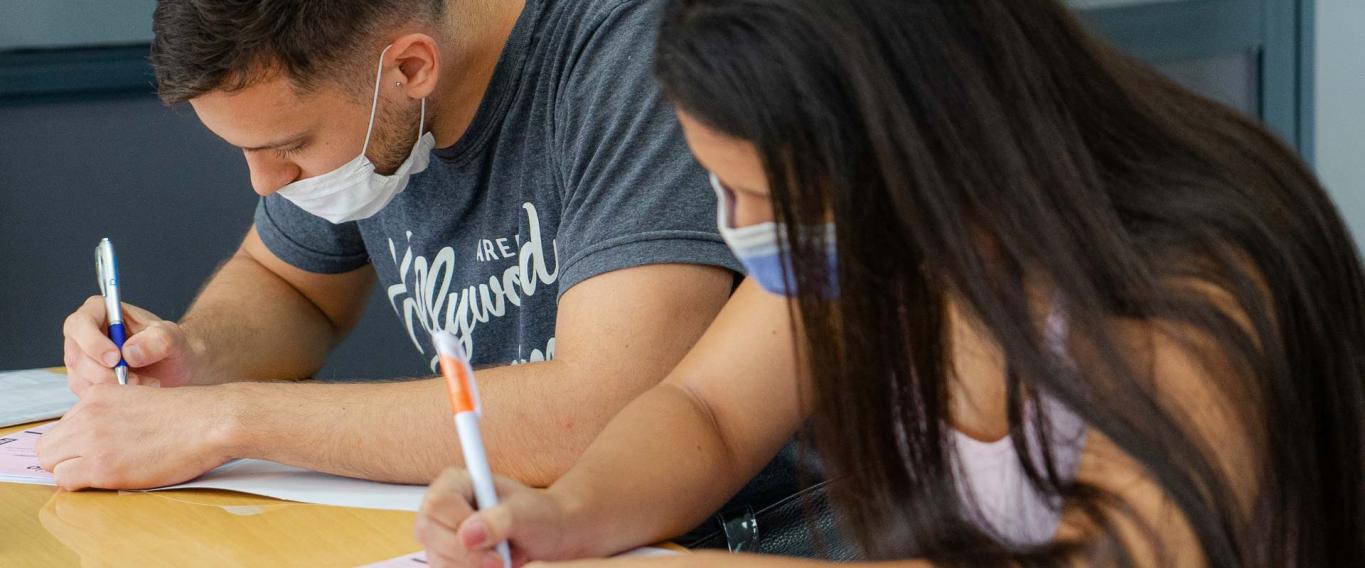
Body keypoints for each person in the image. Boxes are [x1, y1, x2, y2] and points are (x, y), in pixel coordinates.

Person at [412, 0, 1365, 565]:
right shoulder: (882, 237)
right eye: (721, 187)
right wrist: (565, 515)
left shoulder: (1199, 285)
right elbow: (705, 412)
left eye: (762, 194)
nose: (740, 230)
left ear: (913, 142)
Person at [44, 0, 768, 499]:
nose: (266, 183)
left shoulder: (632, 57)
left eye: (289, 146)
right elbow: (286, 284)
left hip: (733, 531)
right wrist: (192, 352)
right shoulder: (373, 105)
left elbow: (607, 411)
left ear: (411, 69)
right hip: (528, 522)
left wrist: (227, 419)